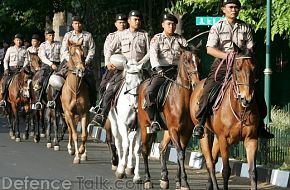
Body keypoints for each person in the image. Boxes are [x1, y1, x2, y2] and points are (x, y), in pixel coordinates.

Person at [193, 0, 274, 139]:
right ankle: (200, 123)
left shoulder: (245, 27)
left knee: (257, 91)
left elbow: (250, 48)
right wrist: (227, 56)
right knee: (208, 89)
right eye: (230, 7)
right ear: (224, 9)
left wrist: (245, 57)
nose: (234, 9)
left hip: (242, 64)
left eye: (236, 7)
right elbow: (209, 49)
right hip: (222, 64)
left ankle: (260, 125)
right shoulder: (217, 27)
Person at [91, 10, 150, 127]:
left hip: (140, 70)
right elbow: (110, 49)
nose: (137, 22)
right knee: (110, 88)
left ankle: (153, 120)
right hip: (124, 70)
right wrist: (108, 61)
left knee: (152, 90)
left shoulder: (145, 35)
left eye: (139, 20)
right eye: (135, 20)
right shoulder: (121, 35)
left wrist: (141, 63)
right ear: (129, 21)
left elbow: (150, 52)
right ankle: (102, 113)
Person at [144, 13, 187, 133]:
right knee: (150, 92)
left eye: (173, 24)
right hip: (162, 71)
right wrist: (157, 68)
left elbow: (187, 54)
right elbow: (153, 55)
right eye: (169, 24)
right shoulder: (157, 38)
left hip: (178, 71)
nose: (171, 26)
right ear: (163, 25)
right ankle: (154, 121)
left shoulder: (181, 39)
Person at [89, 13, 127, 116]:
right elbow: (107, 50)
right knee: (104, 84)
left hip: (128, 65)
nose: (122, 25)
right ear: (115, 24)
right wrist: (108, 63)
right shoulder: (111, 36)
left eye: (124, 22)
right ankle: (101, 107)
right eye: (120, 23)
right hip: (114, 65)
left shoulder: (130, 34)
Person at [57, 16, 96, 107]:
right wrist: (70, 61)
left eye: (79, 23)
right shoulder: (68, 35)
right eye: (75, 23)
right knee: (57, 79)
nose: (77, 25)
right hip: (69, 62)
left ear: (81, 24)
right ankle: (55, 102)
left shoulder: (88, 35)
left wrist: (87, 60)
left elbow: (92, 49)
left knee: (91, 81)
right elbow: (63, 50)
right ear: (72, 24)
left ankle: (93, 104)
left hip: (84, 63)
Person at [34, 29, 61, 109]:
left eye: (53, 35)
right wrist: (51, 64)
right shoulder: (43, 45)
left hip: (58, 65)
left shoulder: (59, 44)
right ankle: (39, 101)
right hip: (47, 66)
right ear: (46, 36)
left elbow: (63, 54)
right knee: (41, 81)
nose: (51, 37)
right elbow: (42, 57)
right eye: (49, 35)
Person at [0, 34, 29, 107]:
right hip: (11, 70)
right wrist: (6, 69)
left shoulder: (25, 50)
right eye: (17, 40)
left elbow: (27, 60)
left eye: (20, 40)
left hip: (21, 71)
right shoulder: (10, 49)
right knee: (5, 82)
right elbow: (6, 60)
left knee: (29, 82)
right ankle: (3, 99)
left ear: (22, 41)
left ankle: (31, 100)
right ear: (14, 41)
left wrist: (23, 68)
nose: (18, 42)